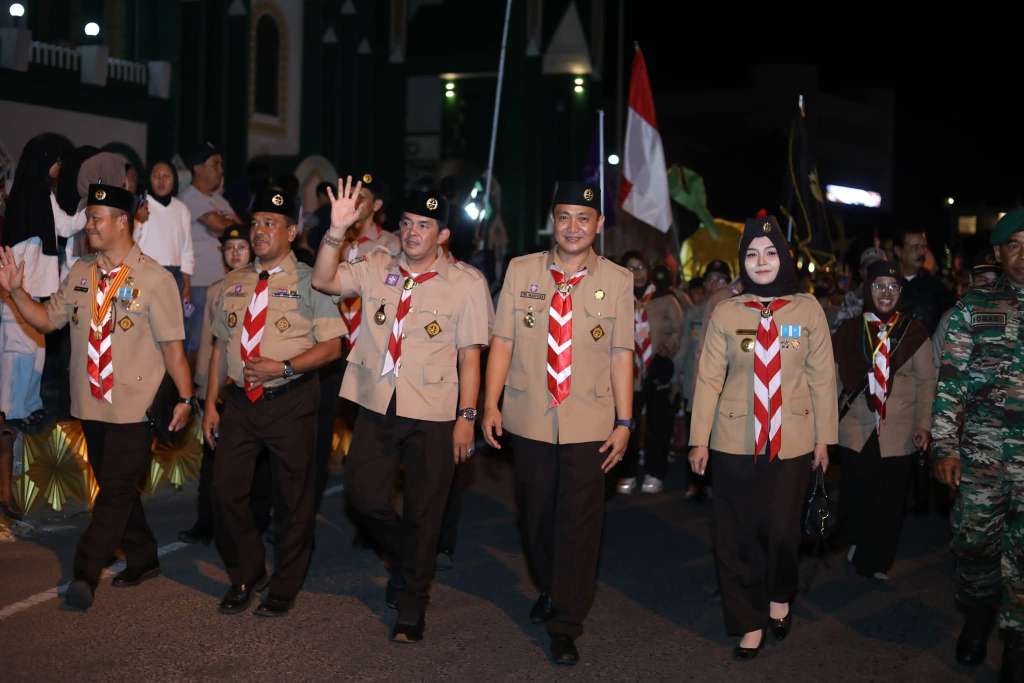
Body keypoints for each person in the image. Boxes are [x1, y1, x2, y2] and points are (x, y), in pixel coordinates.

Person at [313, 179, 491, 643]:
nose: (413, 233)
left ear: (443, 235)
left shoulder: (467, 284)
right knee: (364, 497)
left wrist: (465, 419)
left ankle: (412, 603)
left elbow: (470, 358)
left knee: (425, 511)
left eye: (425, 225)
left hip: (434, 411)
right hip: (378, 402)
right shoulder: (375, 266)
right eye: (408, 223)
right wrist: (335, 230)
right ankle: (413, 559)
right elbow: (324, 280)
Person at [0, 183, 194, 610]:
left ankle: (85, 572)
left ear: (122, 222)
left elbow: (174, 349)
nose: (88, 225)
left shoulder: (155, 279)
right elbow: (47, 320)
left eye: (96, 218)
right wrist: (15, 291)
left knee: (113, 493)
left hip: (136, 407)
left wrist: (185, 397)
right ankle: (143, 557)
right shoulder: (81, 273)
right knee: (116, 488)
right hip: (91, 403)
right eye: (88, 218)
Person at [482, 180, 634, 666]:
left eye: (583, 218)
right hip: (528, 417)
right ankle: (550, 585)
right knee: (535, 517)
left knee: (579, 526)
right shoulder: (521, 269)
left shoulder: (618, 280)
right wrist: (489, 405)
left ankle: (566, 620)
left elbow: (621, 353)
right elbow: (502, 341)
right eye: (565, 217)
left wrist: (625, 421)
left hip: (590, 421)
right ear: (554, 219)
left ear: (599, 225)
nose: (573, 227)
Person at [688, 215, 836, 660]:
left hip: (791, 440)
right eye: (752, 254)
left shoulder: (807, 309)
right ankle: (748, 622)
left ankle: (779, 594)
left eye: (770, 253)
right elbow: (709, 379)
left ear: (784, 257)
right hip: (733, 440)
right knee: (735, 536)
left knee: (781, 530)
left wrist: (823, 439)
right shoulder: (727, 312)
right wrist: (698, 439)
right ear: (742, 262)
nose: (761, 261)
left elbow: (822, 378)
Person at [203, 187, 344, 618]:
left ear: (291, 230)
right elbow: (219, 347)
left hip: (290, 399)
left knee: (293, 499)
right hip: (240, 403)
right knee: (224, 492)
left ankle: (284, 585)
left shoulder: (310, 280)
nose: (260, 231)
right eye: (256, 222)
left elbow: (333, 346)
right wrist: (210, 404)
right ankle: (247, 573)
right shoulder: (234, 282)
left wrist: (283, 368)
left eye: (271, 223)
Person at [932, 209, 1024, 679]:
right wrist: (945, 447)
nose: (1022, 255)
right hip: (982, 456)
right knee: (974, 543)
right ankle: (979, 613)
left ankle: (1016, 637)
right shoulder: (975, 307)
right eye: (1014, 245)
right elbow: (951, 383)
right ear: (998, 252)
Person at [833, 260, 935, 581]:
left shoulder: (914, 332)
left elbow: (927, 381)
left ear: (900, 291)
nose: (886, 293)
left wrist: (924, 425)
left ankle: (877, 560)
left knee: (889, 501)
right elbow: (833, 380)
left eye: (892, 287)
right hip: (856, 427)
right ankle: (858, 538)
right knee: (856, 492)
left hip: (898, 429)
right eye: (879, 286)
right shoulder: (850, 330)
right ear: (868, 289)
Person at [178, 224, 272, 545]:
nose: (235, 253)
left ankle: (256, 521)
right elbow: (207, 342)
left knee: (255, 458)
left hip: (249, 384)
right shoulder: (216, 289)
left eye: (241, 247)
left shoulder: (263, 285)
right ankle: (206, 522)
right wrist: (202, 384)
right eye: (229, 248)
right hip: (216, 385)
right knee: (211, 456)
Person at [1, 134, 72, 431]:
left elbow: (66, 224)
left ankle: (29, 406)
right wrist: (18, 289)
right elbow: (17, 251)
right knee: (17, 355)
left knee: (36, 354)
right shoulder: (25, 199)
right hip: (18, 293)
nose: (59, 169)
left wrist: (92, 211)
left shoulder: (46, 196)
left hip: (36, 295)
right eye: (57, 163)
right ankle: (9, 412)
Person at [616, 256, 682, 494]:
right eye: (631, 268)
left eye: (641, 267)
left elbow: (679, 328)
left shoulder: (665, 298)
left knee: (658, 423)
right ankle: (627, 472)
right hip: (627, 370)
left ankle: (655, 472)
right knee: (626, 423)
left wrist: (669, 345)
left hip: (657, 367)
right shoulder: (617, 298)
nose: (637, 272)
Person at [675, 259, 732, 499]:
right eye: (710, 280)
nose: (714, 284)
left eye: (720, 280)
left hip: (726, 386)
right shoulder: (694, 311)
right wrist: (677, 376)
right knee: (696, 434)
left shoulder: (735, 308)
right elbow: (686, 347)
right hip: (695, 382)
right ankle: (696, 483)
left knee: (720, 438)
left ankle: (715, 484)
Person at [179, 142, 241, 360]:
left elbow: (240, 230)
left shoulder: (219, 200)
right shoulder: (189, 197)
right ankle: (189, 392)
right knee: (196, 341)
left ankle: (209, 389)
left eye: (221, 165)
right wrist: (227, 222)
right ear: (197, 167)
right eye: (215, 164)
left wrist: (229, 223)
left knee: (220, 341)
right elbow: (221, 226)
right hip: (199, 284)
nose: (221, 170)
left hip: (223, 281)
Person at [134, 161, 194, 303]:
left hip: (173, 274)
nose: (161, 181)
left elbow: (187, 249)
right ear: (149, 179)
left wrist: (186, 283)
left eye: (166, 176)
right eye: (156, 176)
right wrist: (138, 221)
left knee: (169, 322)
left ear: (174, 179)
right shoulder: (140, 205)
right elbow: (130, 243)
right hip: (144, 271)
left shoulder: (182, 209)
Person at [932, 263, 1001, 366]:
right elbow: (935, 367)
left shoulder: (1014, 318)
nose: (990, 288)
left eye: (995, 282)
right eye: (983, 281)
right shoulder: (952, 318)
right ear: (971, 281)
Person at [894, 229, 952, 335]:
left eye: (924, 247)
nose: (922, 252)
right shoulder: (886, 285)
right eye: (915, 247)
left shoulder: (937, 288)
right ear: (899, 251)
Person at [832, 246, 887, 332]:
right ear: (861, 272)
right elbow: (838, 333)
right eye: (869, 267)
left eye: (877, 266)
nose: (873, 271)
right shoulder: (851, 300)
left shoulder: (895, 296)